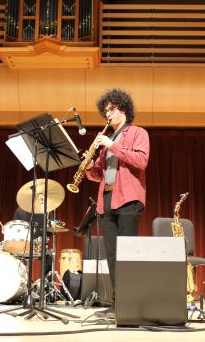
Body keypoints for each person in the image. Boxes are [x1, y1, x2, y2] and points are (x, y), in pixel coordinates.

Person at [85, 88, 150, 316]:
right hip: (107, 199)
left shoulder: (137, 133)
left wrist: (113, 146)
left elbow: (141, 161)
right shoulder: (108, 141)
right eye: (105, 112)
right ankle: (117, 303)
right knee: (112, 255)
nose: (108, 115)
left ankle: (130, 304)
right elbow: (99, 175)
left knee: (128, 254)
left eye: (111, 110)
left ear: (123, 109)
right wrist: (88, 166)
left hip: (129, 199)